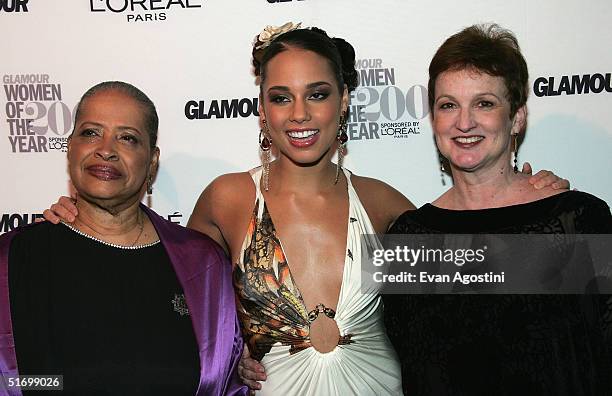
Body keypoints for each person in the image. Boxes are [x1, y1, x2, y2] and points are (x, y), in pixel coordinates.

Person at [40, 26, 568, 395]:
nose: (299, 114)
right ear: (262, 109)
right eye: (280, 97)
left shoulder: (385, 205)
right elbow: (162, 292)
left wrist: (526, 204)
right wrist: (85, 227)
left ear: (343, 101)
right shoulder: (227, 200)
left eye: (316, 93)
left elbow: (481, 287)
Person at [382, 24, 612, 395]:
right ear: (434, 119)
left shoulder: (578, 220)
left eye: (484, 103)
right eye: (448, 105)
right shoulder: (408, 238)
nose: (464, 122)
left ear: (517, 116)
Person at [0, 82, 247, 395]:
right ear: (70, 147)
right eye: (91, 132)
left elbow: (229, 379)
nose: (106, 149)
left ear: (152, 162)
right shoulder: (14, 261)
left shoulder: (204, 267)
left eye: (127, 138)